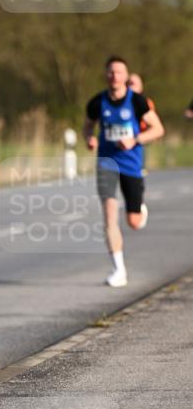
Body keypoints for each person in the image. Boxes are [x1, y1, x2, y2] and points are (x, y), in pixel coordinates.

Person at [84, 56, 164, 288]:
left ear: (125, 76)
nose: (114, 76)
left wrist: (135, 139)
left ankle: (139, 208)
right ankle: (119, 269)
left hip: (131, 163)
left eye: (119, 72)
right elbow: (88, 125)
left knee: (134, 222)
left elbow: (158, 129)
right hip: (106, 162)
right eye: (110, 72)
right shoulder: (97, 102)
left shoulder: (137, 102)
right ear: (105, 75)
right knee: (109, 215)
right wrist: (89, 138)